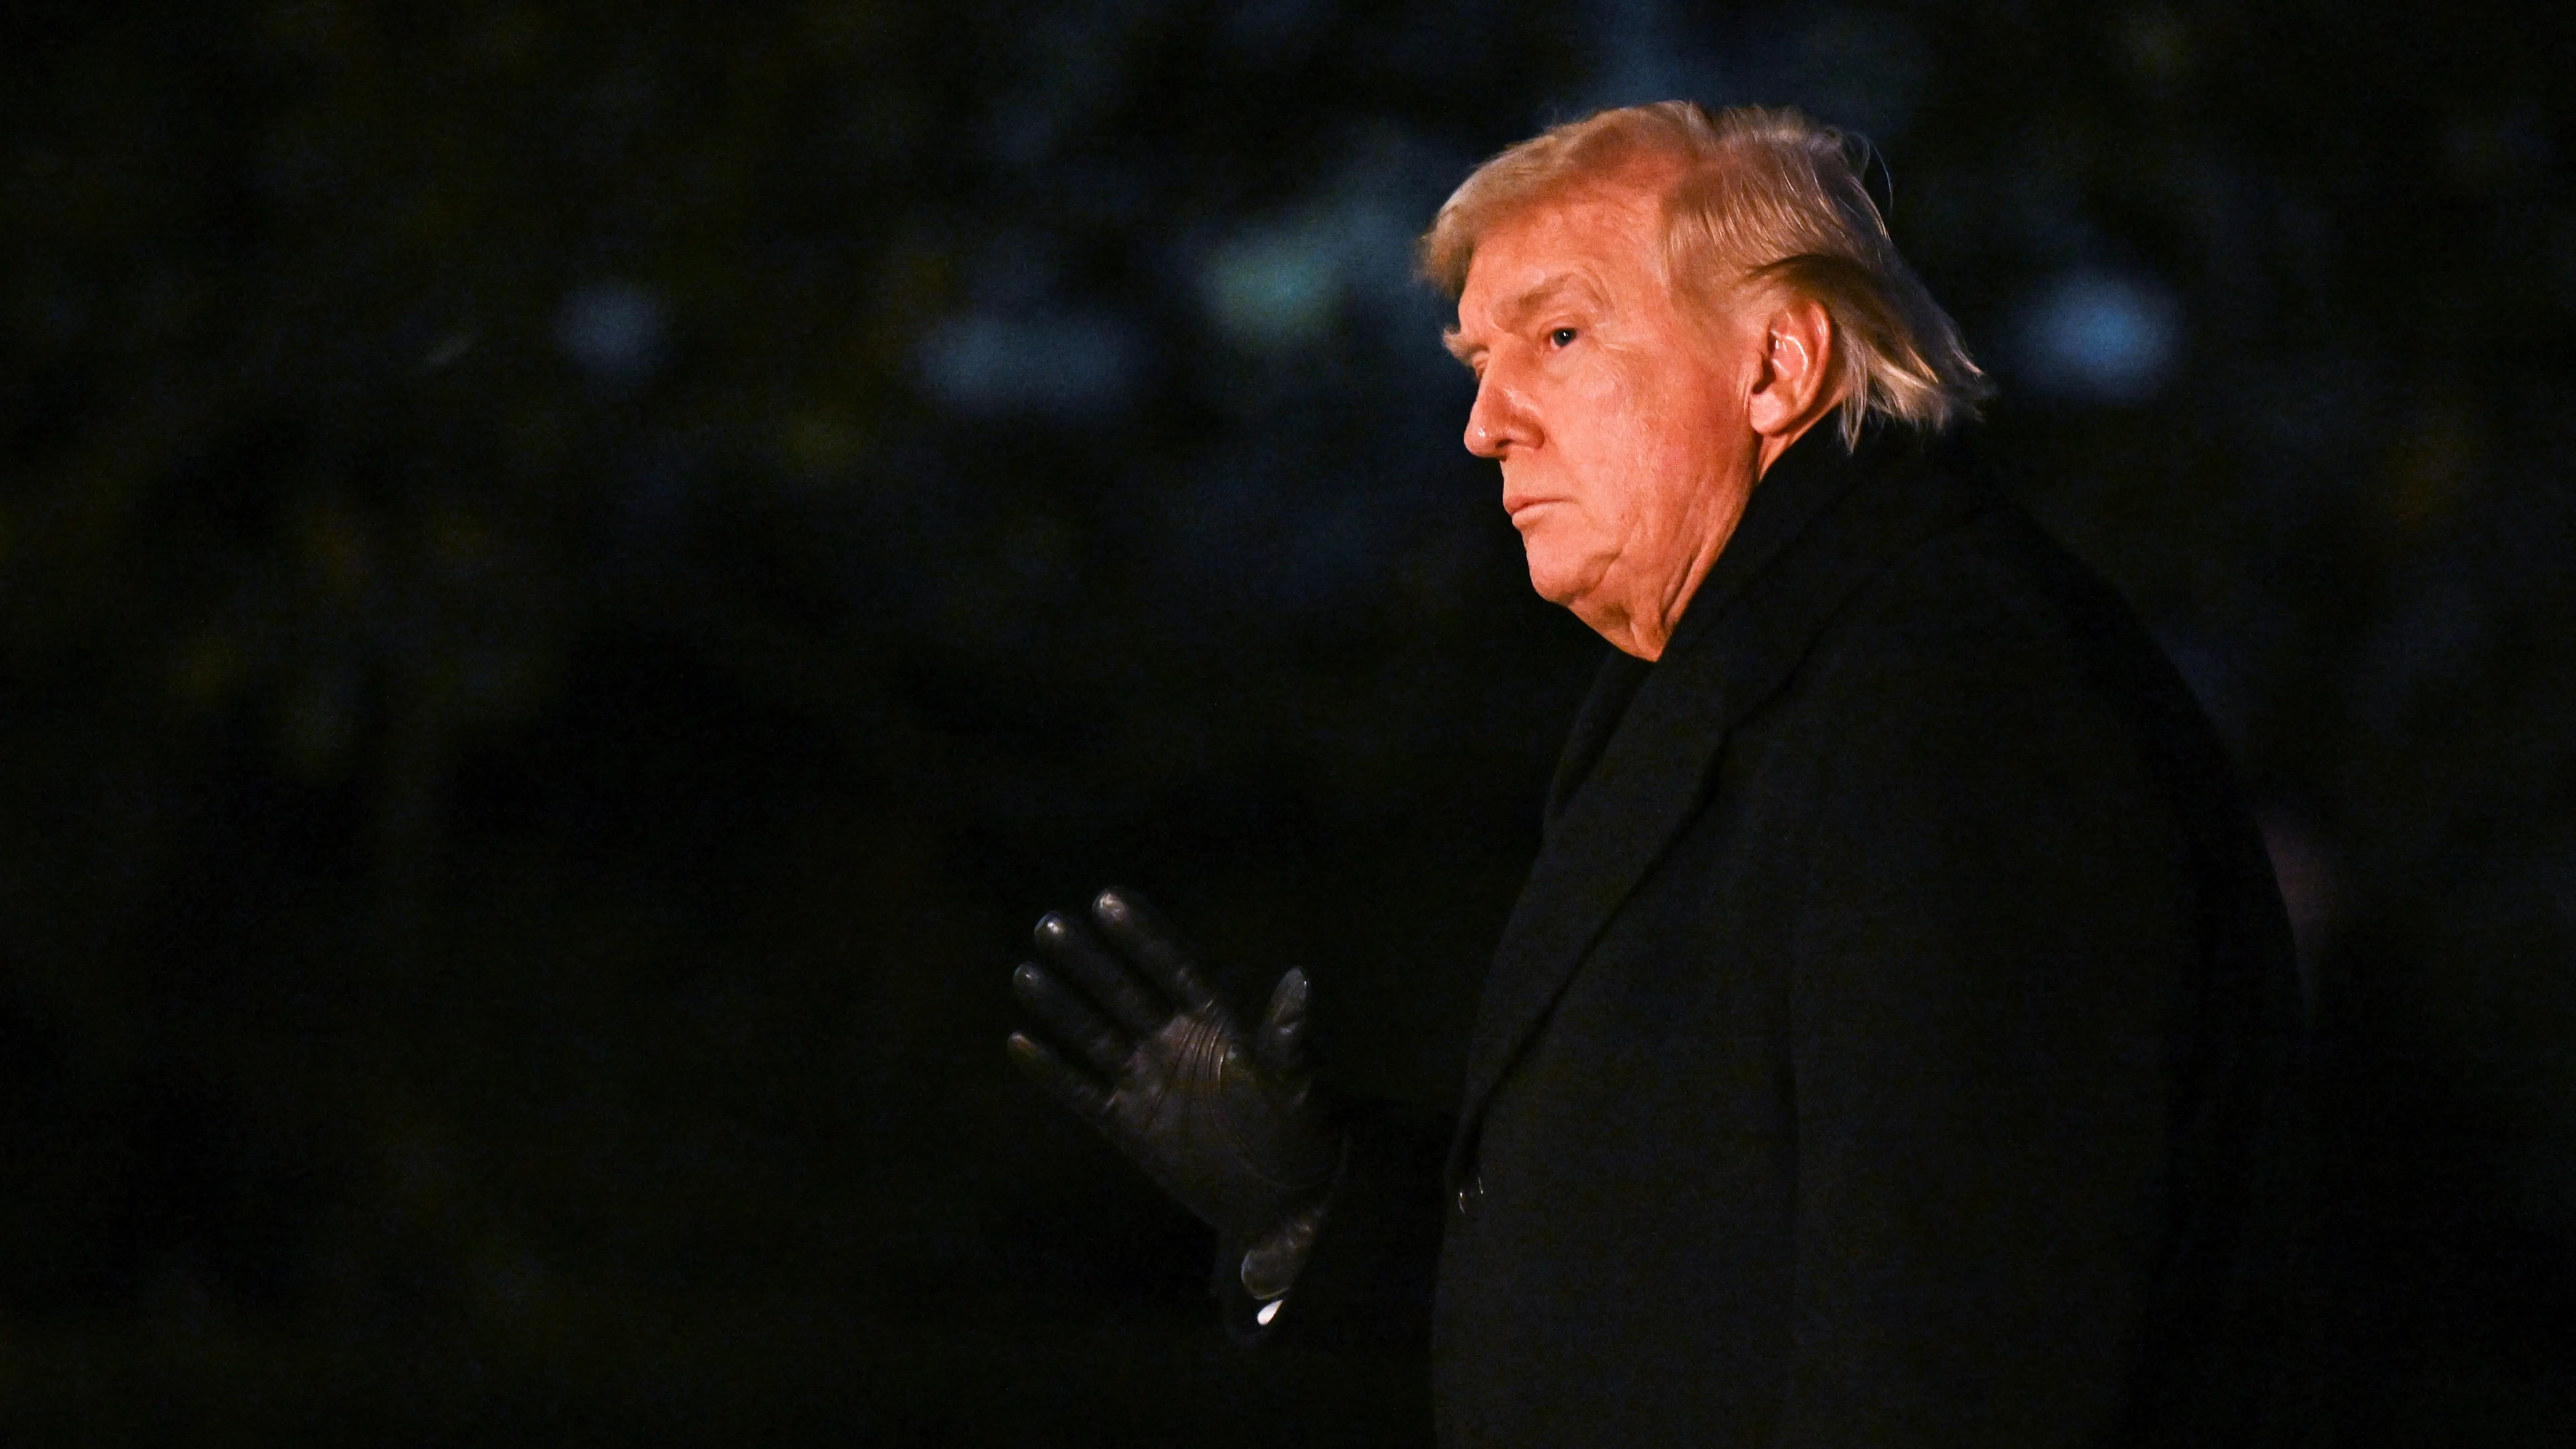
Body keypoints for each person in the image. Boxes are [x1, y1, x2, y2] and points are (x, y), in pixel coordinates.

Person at [1006, 101, 2311, 1447]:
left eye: (1559, 337)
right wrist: (1317, 1210)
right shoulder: (1751, 686)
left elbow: (1966, 1340)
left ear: (1778, 366)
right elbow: (1678, 1281)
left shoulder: (1954, 703)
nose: (1485, 425)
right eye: (1477, 362)